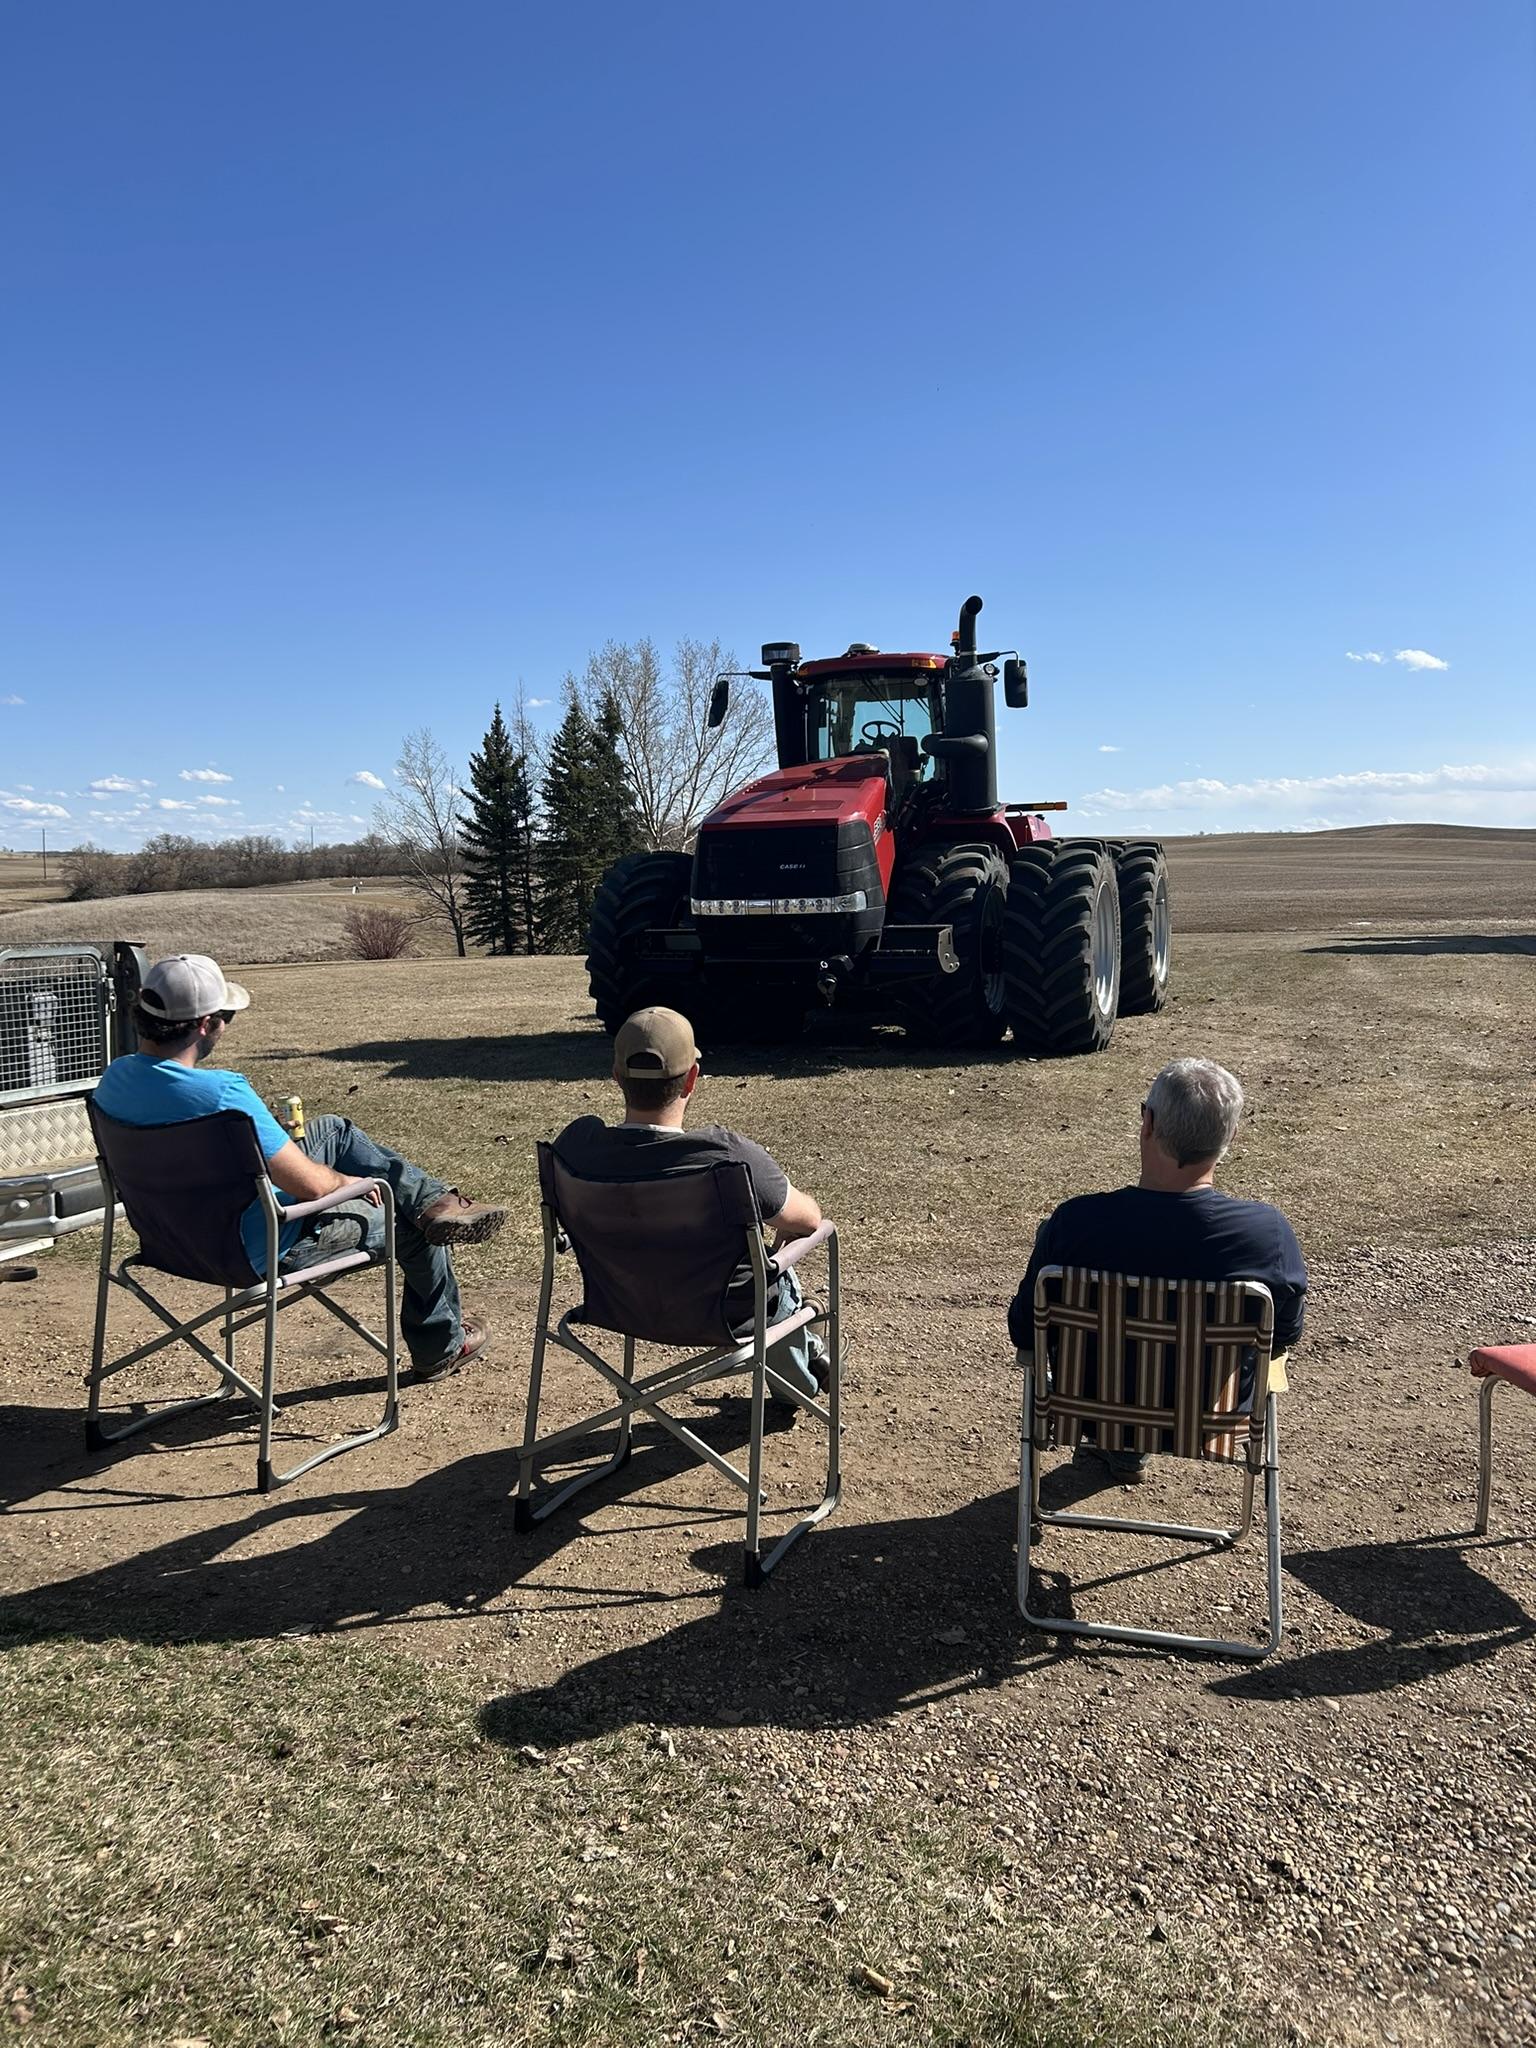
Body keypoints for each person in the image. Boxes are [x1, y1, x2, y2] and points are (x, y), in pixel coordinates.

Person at [94, 953, 506, 1382]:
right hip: (263, 1249)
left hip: (171, 1243)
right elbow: (312, 1188)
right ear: (206, 1024)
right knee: (409, 1226)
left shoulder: (113, 1082)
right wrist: (353, 1181)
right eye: (226, 1018)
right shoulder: (223, 1095)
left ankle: (434, 1201)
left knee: (334, 1131)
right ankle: (440, 1345)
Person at [1008, 1056, 1307, 1483]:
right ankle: (1132, 1450)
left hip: (1091, 1409)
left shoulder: (1075, 1225)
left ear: (1147, 1123)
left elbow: (1025, 1330)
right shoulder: (1267, 1236)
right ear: (1231, 1136)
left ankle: (1122, 1444)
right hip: (1209, 1417)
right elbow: (1282, 1337)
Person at [553, 1006, 827, 1407]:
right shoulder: (727, 1157)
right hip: (726, 1317)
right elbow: (809, 1220)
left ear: (616, 1076)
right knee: (776, 1274)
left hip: (618, 1305)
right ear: (692, 1079)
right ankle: (800, 1385)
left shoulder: (576, 1147)